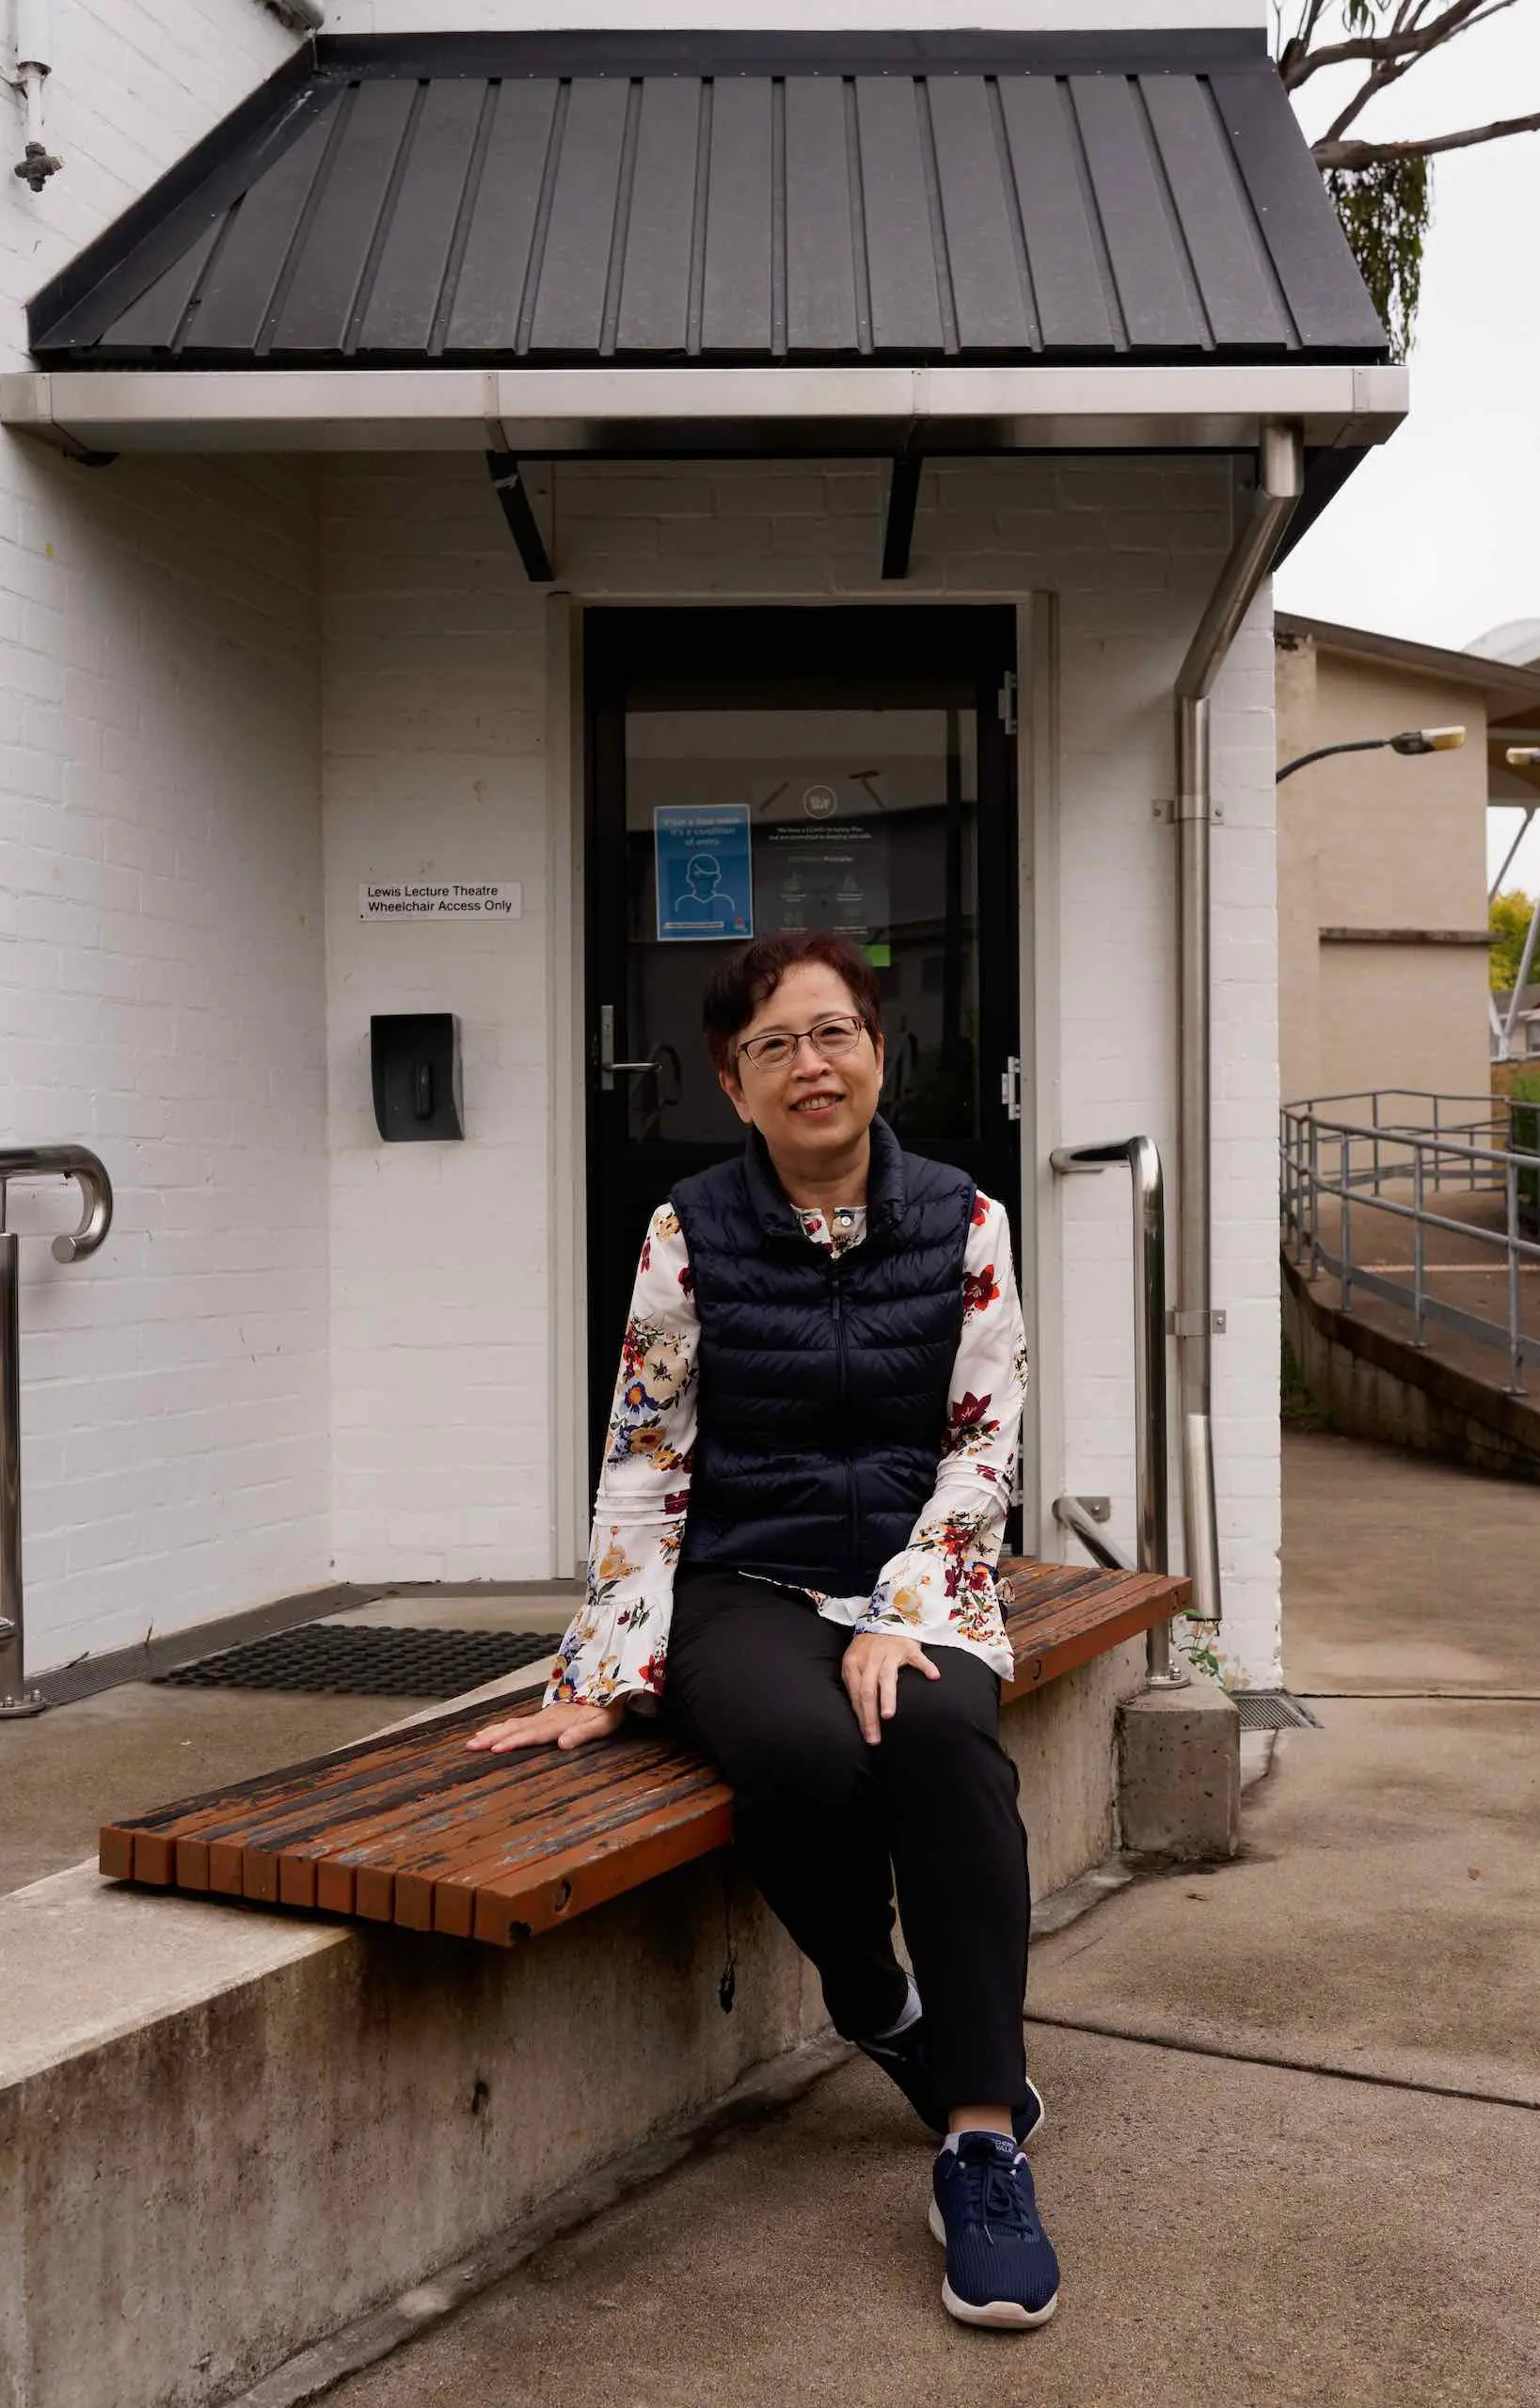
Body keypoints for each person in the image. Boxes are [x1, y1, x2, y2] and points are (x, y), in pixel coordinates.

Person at [468, 930, 1058, 2331]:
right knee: (799, 1752)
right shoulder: (688, 1231)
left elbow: (983, 1447)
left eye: (834, 1033)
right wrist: (607, 1671)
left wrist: (904, 1607)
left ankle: (979, 2139)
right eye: (774, 1047)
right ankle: (874, 1999)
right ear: (735, 1087)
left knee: (938, 1744)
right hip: (744, 1579)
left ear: (876, 1053)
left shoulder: (966, 1221)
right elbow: (646, 1455)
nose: (812, 1065)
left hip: (921, 1574)